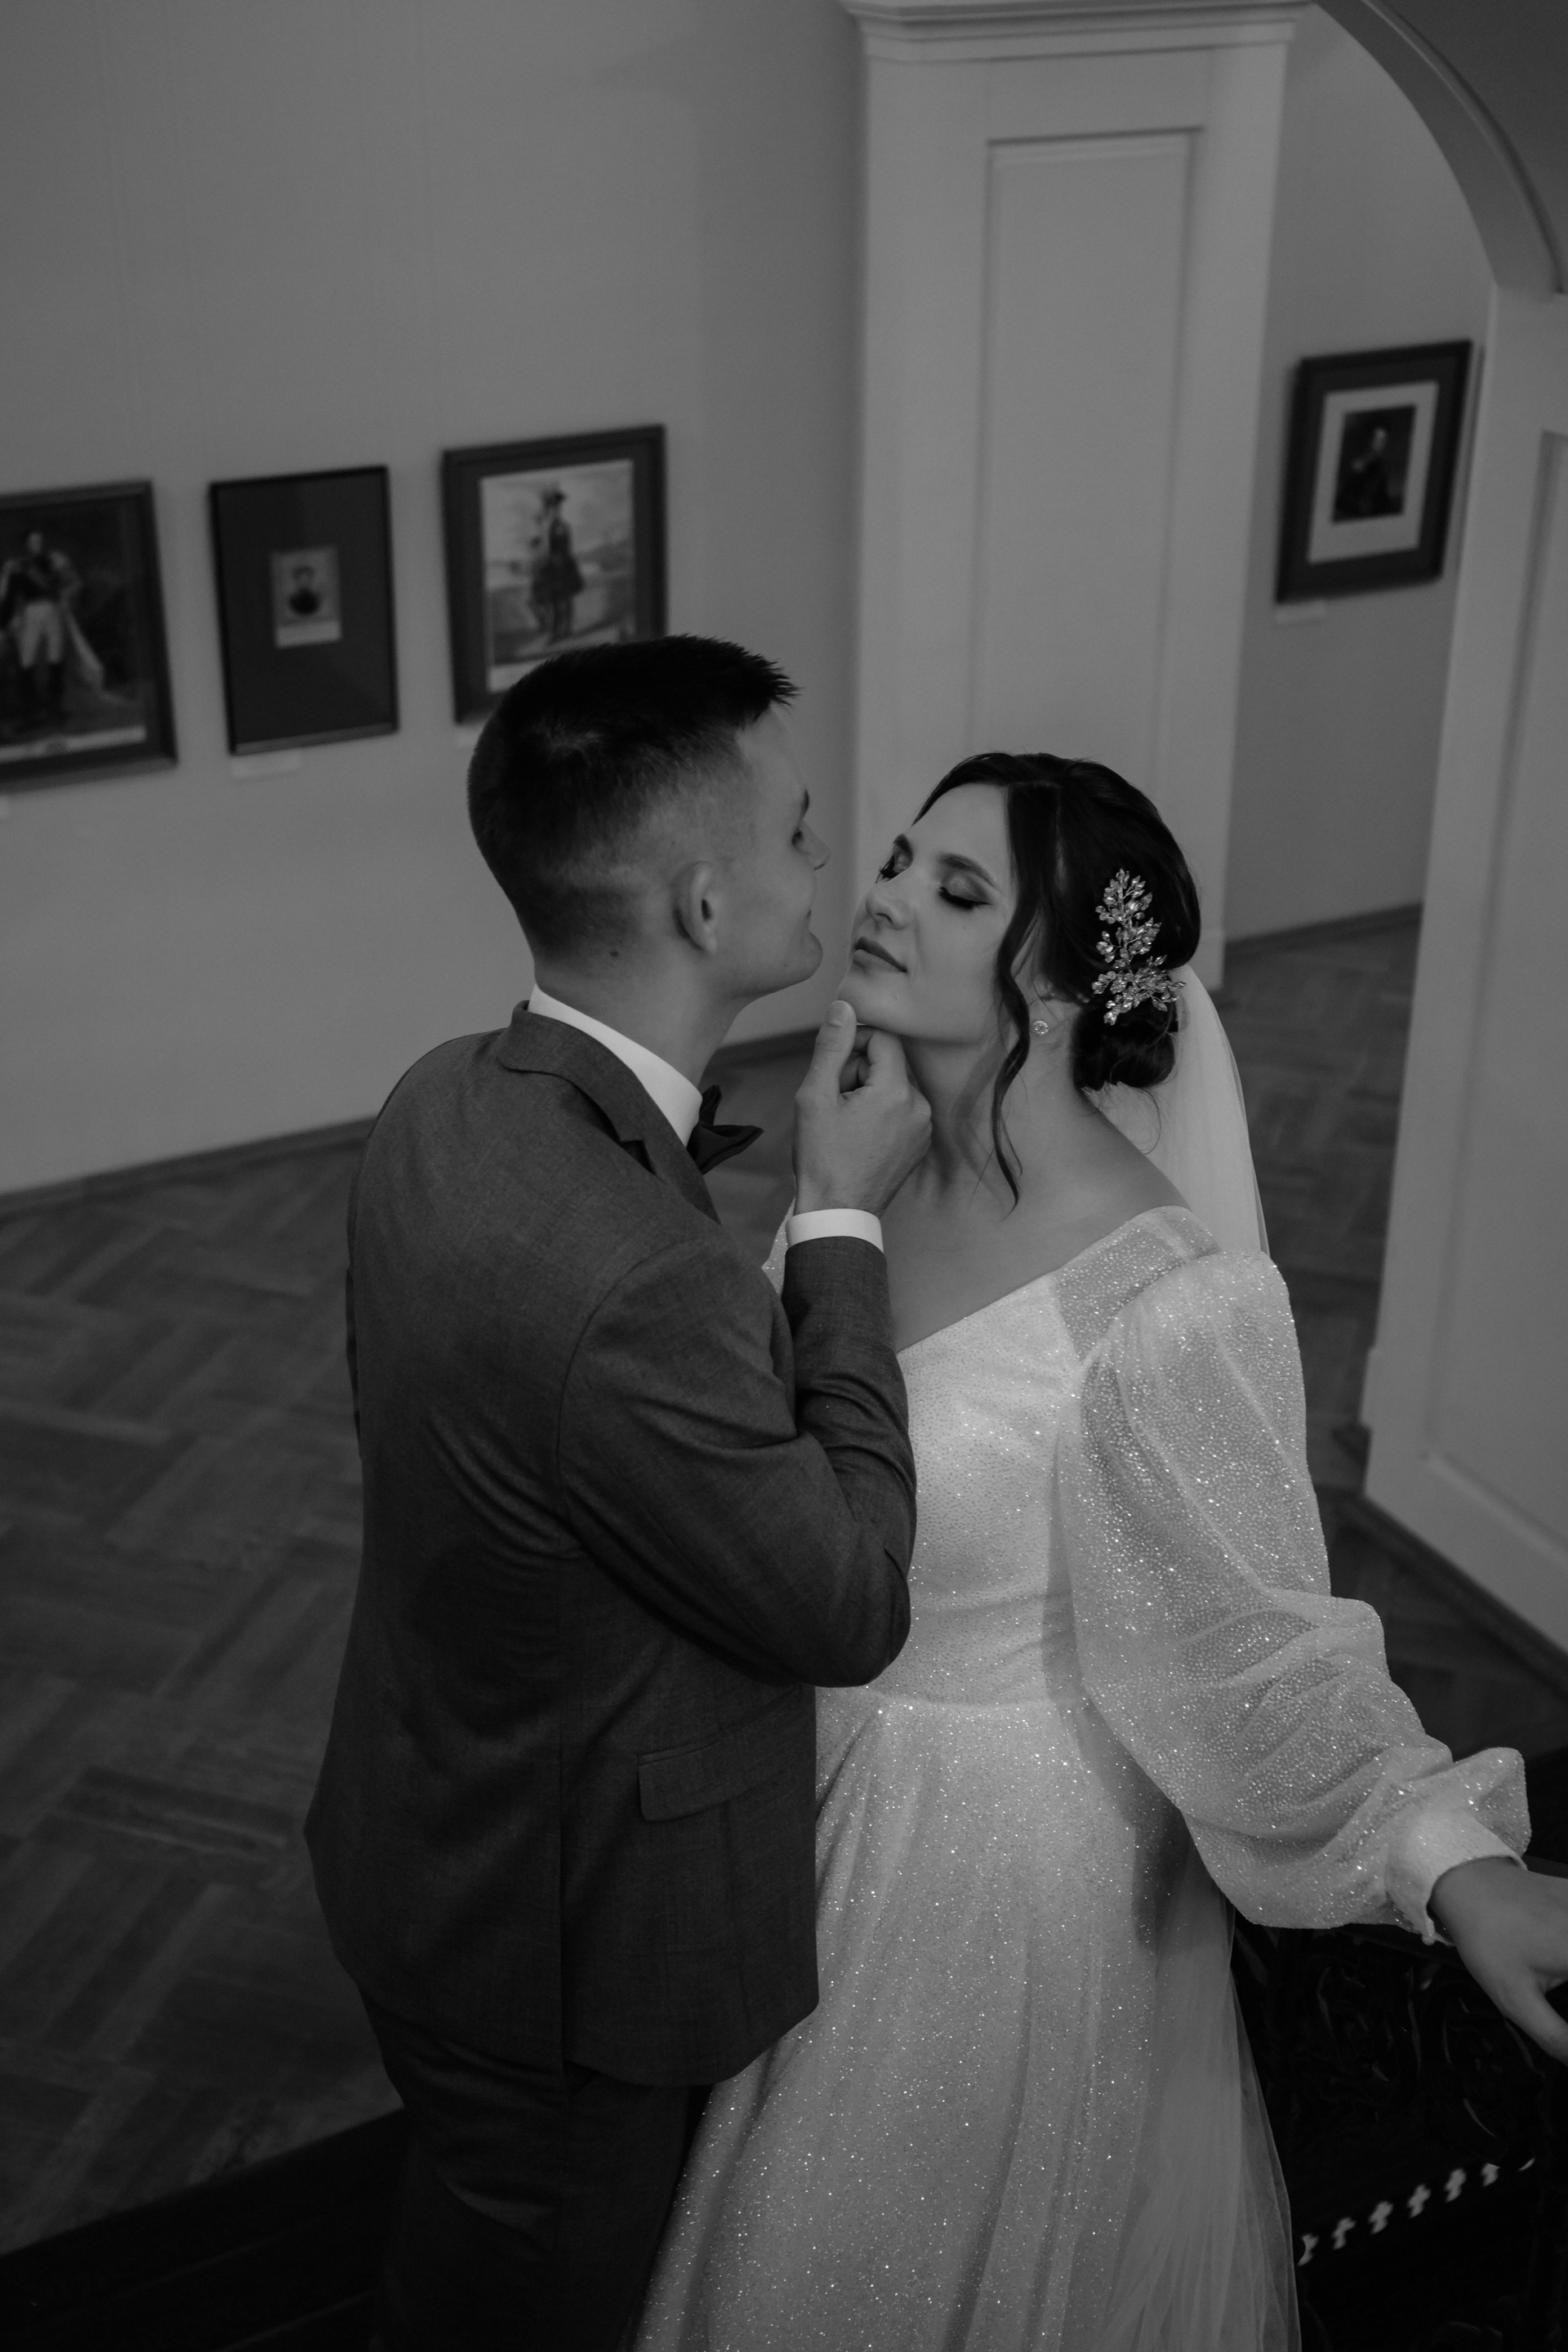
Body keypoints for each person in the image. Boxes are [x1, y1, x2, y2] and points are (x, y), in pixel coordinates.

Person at [633, 753, 1568, 2352]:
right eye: (903, 859)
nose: (888, 897)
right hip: (807, 1781)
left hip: (994, 1888)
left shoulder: (1167, 1299)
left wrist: (1450, 1864)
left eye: (958, 890)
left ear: (1067, 988)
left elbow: (1260, 1643)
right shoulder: (863, 1163)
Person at [305, 635, 932, 2352]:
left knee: (469, 2248)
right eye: (798, 833)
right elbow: (850, 1602)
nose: (830, 859)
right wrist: (840, 1219)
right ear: (705, 907)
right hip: (563, 1958)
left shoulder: (441, 1096)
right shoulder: (637, 1285)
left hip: (424, 1830)